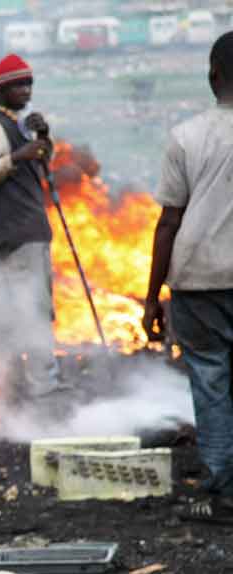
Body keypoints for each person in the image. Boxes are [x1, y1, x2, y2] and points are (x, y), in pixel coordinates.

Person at [143, 32, 233, 523]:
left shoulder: (187, 136)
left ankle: (222, 487)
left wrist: (152, 296)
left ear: (212, 77)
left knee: (211, 381)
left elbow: (169, 222)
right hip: (204, 280)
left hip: (198, 279)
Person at [0, 53, 60, 400]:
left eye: (29, 83)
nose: (26, 89)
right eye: (19, 84)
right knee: (22, 318)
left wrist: (43, 137)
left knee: (25, 315)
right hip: (12, 239)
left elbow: (42, 166)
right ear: (1, 88)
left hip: (21, 236)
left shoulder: (18, 125)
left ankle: (23, 391)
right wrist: (18, 157)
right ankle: (28, 391)